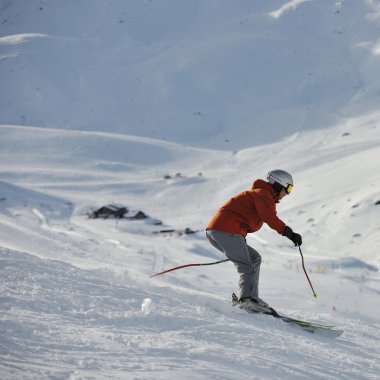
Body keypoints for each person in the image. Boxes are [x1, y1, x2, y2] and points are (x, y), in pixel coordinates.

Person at [206, 169, 302, 312]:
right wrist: (290, 233)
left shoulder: (261, 195)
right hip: (226, 231)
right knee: (246, 265)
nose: (288, 193)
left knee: (254, 258)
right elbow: (270, 218)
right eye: (288, 188)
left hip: (221, 231)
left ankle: (251, 296)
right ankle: (246, 300)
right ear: (278, 184)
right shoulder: (263, 194)